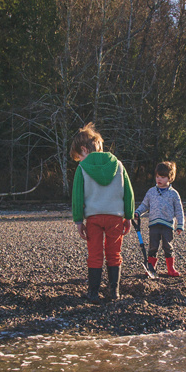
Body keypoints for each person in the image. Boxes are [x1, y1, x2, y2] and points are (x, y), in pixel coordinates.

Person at [71, 123, 135, 302]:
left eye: (78, 157)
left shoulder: (82, 169)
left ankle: (93, 293)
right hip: (115, 217)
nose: (79, 160)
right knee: (114, 254)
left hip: (94, 218)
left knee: (95, 254)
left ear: (84, 150)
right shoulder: (118, 165)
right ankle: (114, 292)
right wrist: (128, 216)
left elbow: (77, 196)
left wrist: (78, 221)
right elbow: (128, 193)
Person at [134, 161, 185, 277]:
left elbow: (179, 210)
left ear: (170, 178)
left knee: (168, 246)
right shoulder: (151, 192)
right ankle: (151, 268)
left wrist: (180, 224)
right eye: (157, 176)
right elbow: (145, 205)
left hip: (167, 225)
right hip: (154, 225)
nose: (159, 179)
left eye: (162, 177)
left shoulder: (174, 194)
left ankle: (171, 268)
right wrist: (138, 212)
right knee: (153, 247)